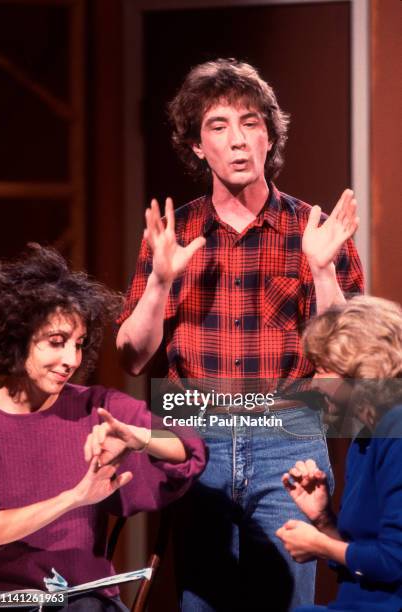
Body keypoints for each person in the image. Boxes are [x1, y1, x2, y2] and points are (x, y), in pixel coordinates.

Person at [116, 58, 364, 611]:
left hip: (287, 439)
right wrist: (159, 282)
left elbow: (350, 364)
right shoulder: (172, 234)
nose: (237, 141)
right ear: (197, 145)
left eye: (251, 123)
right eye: (219, 126)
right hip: (199, 438)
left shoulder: (314, 232)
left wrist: (322, 271)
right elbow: (132, 358)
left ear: (270, 135)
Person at [0, 243, 206, 612]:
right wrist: (75, 498)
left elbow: (187, 448)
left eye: (79, 345)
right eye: (56, 343)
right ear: (17, 338)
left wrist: (138, 437)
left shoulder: (97, 407)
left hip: (83, 602)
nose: (71, 360)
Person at [276, 295, 402, 612]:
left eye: (323, 370)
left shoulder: (396, 431)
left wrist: (320, 545)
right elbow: (364, 558)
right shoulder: (365, 438)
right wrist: (322, 520)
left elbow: (394, 562)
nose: (315, 383)